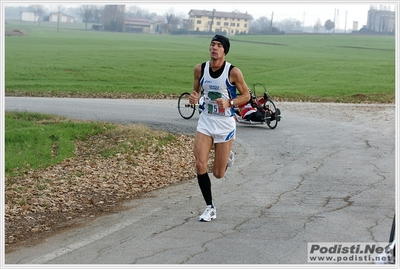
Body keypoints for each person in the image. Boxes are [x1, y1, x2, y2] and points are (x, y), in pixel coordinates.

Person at [189, 34, 250, 222]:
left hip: (224, 124)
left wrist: (230, 102)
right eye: (212, 45)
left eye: (218, 46)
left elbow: (246, 96)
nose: (214, 48)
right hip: (206, 121)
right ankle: (210, 207)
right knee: (200, 163)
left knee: (218, 173)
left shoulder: (233, 72)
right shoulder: (200, 69)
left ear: (225, 50)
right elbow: (196, 92)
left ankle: (227, 156)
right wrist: (193, 99)